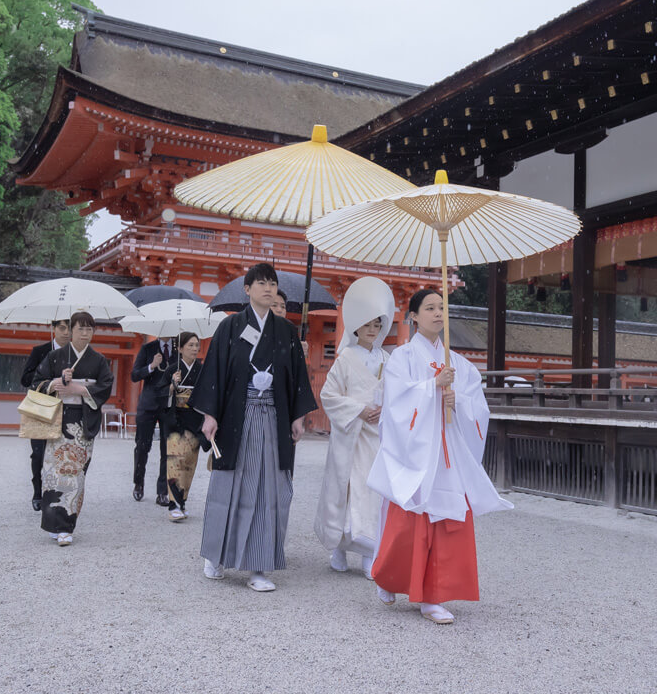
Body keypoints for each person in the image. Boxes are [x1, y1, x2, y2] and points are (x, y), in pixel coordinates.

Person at [367, 288, 512, 624]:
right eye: (429, 308)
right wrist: (431, 388)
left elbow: (477, 405)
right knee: (408, 524)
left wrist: (456, 400)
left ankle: (433, 596)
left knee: (447, 521)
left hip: (448, 453)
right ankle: (389, 577)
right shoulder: (402, 357)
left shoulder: (457, 361)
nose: (437, 313)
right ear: (414, 316)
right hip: (417, 452)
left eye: (442, 307)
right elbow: (397, 403)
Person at [192, 262, 317, 591]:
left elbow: (296, 378)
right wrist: (210, 415)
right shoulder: (231, 327)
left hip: (272, 418)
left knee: (268, 490)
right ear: (246, 290)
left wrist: (297, 416)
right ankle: (215, 555)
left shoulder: (287, 331)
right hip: (237, 416)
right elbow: (215, 372)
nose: (267, 288)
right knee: (228, 486)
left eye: (272, 284)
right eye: (260, 283)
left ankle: (259, 566)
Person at [314, 276, 394, 578]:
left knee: (372, 491)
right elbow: (328, 395)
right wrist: (359, 409)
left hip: (377, 436)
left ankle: (369, 551)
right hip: (351, 434)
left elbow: (397, 396)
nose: (373, 330)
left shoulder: (388, 358)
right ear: (356, 326)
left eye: (378, 324)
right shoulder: (346, 357)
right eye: (368, 324)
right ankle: (339, 544)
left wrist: (383, 410)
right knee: (347, 489)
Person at [33, 311, 114, 546]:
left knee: (75, 474)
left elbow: (106, 385)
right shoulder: (56, 356)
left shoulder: (98, 360)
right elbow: (36, 382)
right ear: (70, 330)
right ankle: (53, 523)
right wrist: (54, 383)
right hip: (58, 422)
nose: (85, 333)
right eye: (81, 328)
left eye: (90, 329)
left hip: (82, 423)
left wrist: (81, 390)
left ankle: (67, 526)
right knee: (53, 473)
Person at [20, 319, 70, 512]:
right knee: (39, 453)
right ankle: (37, 492)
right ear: (53, 329)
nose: (65, 332)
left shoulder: (74, 354)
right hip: (41, 406)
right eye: (61, 328)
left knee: (62, 453)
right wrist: (47, 371)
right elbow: (25, 379)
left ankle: (58, 492)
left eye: (68, 328)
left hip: (65, 408)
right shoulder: (40, 351)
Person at [164, 331, 210, 521]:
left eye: (196, 345)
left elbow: (208, 395)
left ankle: (182, 502)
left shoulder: (202, 370)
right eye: (190, 345)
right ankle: (173, 504)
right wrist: (172, 386)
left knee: (189, 464)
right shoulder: (172, 369)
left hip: (194, 420)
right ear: (180, 348)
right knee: (175, 463)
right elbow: (160, 393)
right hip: (175, 420)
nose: (194, 348)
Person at [131, 333, 173, 505]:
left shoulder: (179, 349)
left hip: (169, 404)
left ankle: (163, 491)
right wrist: (152, 366)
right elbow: (134, 375)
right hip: (148, 403)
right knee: (142, 446)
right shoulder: (147, 348)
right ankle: (138, 482)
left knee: (167, 449)